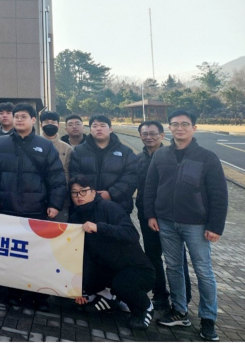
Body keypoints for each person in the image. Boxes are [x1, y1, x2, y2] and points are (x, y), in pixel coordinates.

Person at [145, 110, 228, 341]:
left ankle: (208, 319)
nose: (179, 128)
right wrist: (151, 214)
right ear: (169, 128)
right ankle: (179, 310)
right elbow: (150, 187)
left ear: (194, 128)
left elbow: (219, 194)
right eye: (175, 124)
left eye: (185, 124)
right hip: (166, 222)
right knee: (173, 267)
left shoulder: (207, 157)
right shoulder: (160, 156)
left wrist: (215, 226)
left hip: (198, 225)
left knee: (203, 270)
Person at [0, 103, 66, 307]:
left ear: (33, 120)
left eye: (23, 117)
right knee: (10, 252)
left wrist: (55, 204)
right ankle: (11, 292)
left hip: (35, 208)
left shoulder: (45, 146)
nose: (19, 120)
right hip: (6, 207)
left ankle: (38, 294)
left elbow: (56, 177)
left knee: (36, 254)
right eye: (16, 116)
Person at [69, 175, 155, 331]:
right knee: (84, 272)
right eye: (74, 193)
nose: (79, 196)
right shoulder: (76, 216)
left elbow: (131, 234)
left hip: (136, 269)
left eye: (83, 191)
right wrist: (80, 289)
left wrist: (99, 227)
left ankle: (145, 308)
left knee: (123, 285)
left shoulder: (109, 208)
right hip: (107, 267)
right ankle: (108, 298)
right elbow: (82, 254)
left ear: (94, 192)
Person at [136, 120, 190, 311]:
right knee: (152, 256)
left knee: (176, 258)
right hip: (146, 215)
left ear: (162, 135)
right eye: (144, 134)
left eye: (152, 133)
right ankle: (160, 295)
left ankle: (184, 296)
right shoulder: (138, 159)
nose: (148, 137)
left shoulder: (172, 157)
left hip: (170, 216)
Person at [68, 115, 138, 214]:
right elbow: (75, 174)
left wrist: (111, 194)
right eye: (95, 126)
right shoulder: (79, 151)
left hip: (118, 206)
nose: (99, 129)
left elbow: (131, 177)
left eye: (102, 125)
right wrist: (89, 194)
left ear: (110, 129)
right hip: (86, 205)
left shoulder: (125, 152)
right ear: (90, 130)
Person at [39, 110, 73, 222]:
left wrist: (59, 198)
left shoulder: (67, 148)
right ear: (41, 125)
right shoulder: (33, 144)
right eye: (46, 122)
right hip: (36, 198)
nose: (50, 124)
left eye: (53, 122)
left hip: (60, 201)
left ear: (58, 125)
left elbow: (68, 175)